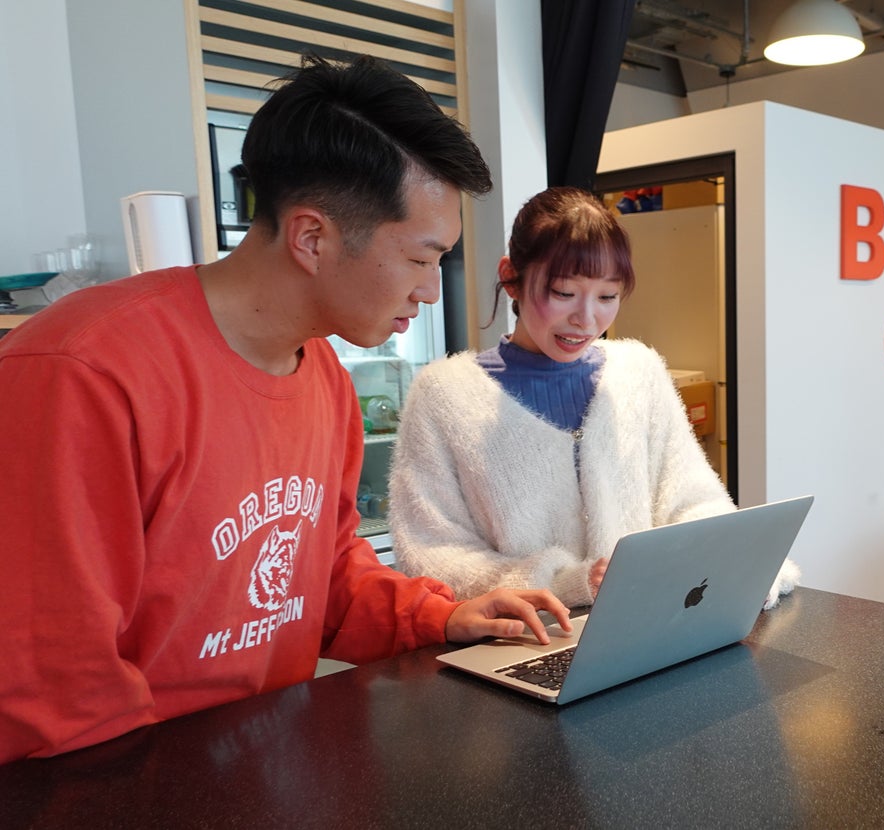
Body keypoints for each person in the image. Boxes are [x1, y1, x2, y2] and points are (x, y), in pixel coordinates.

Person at [0, 54, 570, 765]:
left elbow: (322, 571)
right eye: (422, 259)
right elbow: (54, 681)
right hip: (137, 783)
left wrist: (443, 617)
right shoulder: (82, 371)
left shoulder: (321, 372)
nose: (430, 291)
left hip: (276, 767)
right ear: (311, 237)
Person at [388, 186, 800, 608]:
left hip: (649, 625)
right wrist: (561, 582)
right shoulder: (445, 395)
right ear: (511, 277)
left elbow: (692, 500)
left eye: (607, 296)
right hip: (525, 635)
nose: (586, 320)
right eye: (564, 293)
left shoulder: (639, 372)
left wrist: (737, 567)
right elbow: (430, 553)